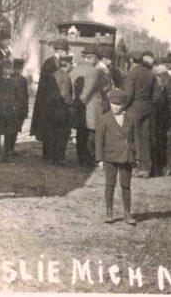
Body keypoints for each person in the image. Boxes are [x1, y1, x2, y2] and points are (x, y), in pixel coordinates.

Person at [96, 88, 140, 225]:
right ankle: (109, 212)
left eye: (118, 104)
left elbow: (137, 137)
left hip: (126, 156)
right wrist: (100, 159)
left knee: (126, 185)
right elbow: (99, 140)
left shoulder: (131, 117)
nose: (115, 106)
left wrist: (137, 155)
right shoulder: (104, 118)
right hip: (110, 157)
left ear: (124, 105)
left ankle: (127, 213)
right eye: (113, 103)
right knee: (110, 185)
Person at [31, 38, 71, 160]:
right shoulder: (51, 64)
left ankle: (52, 155)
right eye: (65, 51)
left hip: (53, 103)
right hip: (51, 103)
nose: (66, 54)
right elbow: (51, 84)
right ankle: (50, 155)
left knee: (54, 130)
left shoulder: (52, 62)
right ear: (60, 51)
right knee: (51, 130)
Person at [71, 44, 107, 167]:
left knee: (81, 133)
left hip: (78, 107)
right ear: (93, 57)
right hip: (89, 108)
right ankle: (87, 159)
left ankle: (81, 157)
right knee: (90, 134)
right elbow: (88, 92)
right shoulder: (95, 71)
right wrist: (81, 103)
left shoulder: (76, 68)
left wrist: (75, 104)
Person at [123, 50, 156, 177]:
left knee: (131, 136)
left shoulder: (132, 73)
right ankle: (145, 168)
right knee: (145, 137)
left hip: (134, 108)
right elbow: (155, 95)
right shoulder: (150, 73)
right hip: (147, 108)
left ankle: (133, 166)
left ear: (131, 60)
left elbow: (129, 94)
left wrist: (123, 107)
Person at [48, 54, 76, 165]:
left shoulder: (53, 74)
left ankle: (53, 158)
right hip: (62, 110)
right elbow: (65, 94)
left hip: (52, 110)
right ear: (68, 64)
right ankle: (60, 158)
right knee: (63, 135)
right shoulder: (66, 76)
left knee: (54, 134)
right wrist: (71, 104)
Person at [8, 58, 30, 156]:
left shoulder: (24, 80)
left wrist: (26, 109)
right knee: (10, 129)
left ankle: (12, 148)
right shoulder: (10, 79)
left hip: (21, 109)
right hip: (12, 109)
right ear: (13, 68)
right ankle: (8, 149)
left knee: (16, 129)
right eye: (16, 68)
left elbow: (26, 95)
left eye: (20, 68)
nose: (18, 70)